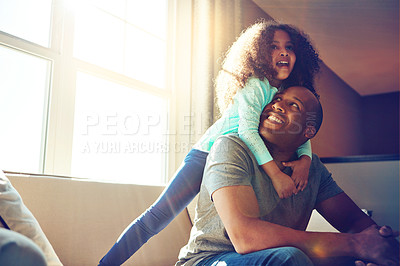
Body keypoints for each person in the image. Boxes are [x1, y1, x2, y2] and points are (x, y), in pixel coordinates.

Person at [99, 20, 321, 265]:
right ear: (258, 54)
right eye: (273, 47)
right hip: (207, 154)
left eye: (289, 48)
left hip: (236, 160)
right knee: (158, 215)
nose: (283, 52)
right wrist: (276, 175)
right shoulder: (255, 86)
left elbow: (301, 131)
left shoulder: (287, 93)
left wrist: (305, 160)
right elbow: (247, 131)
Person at [177, 86, 399, 266]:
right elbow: (246, 237)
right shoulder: (231, 147)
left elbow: (354, 222)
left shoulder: (313, 170)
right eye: (277, 99)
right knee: (289, 258)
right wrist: (354, 244)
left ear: (308, 131)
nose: (277, 105)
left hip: (276, 259)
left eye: (293, 105)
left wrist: (378, 248)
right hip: (206, 260)